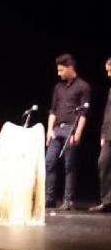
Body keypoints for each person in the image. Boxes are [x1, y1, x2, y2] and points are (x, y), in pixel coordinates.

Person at [45, 53, 91, 211]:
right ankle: (49, 197)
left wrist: (77, 133)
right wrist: (49, 130)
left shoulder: (83, 87)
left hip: (71, 129)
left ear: (70, 68)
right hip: (57, 129)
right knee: (49, 162)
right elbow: (53, 110)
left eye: (61, 70)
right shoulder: (58, 87)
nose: (59, 73)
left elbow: (83, 113)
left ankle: (68, 200)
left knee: (69, 165)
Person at [90, 57, 111, 212]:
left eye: (110, 70)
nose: (108, 74)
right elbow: (107, 113)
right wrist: (103, 134)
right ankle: (107, 201)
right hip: (109, 135)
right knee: (103, 162)